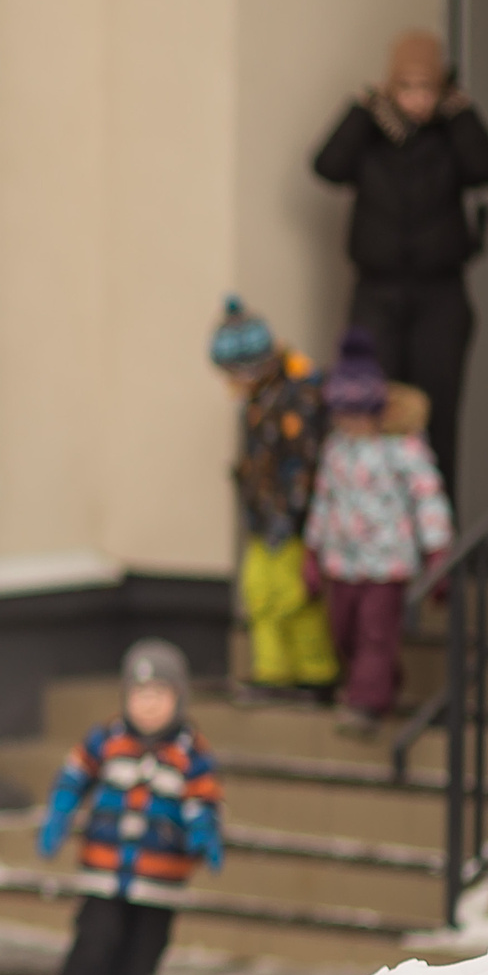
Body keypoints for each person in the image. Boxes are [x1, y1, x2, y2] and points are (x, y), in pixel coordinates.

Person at [311, 29, 488, 506]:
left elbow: (487, 169)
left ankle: (437, 545)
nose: (417, 101)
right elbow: (327, 167)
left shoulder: (450, 134)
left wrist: (458, 113)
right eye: (407, 88)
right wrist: (360, 110)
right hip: (376, 294)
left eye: (427, 89)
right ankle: (373, 537)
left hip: (440, 295)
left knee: (436, 416)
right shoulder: (370, 133)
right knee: (368, 409)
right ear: (390, 87)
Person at [35, 639, 224, 975]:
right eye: (139, 695)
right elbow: (74, 777)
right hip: (104, 873)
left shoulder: (190, 754)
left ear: (179, 699)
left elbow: (202, 800)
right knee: (94, 941)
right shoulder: (107, 739)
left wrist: (204, 834)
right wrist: (59, 816)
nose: (149, 705)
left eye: (159, 695)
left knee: (140, 959)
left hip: (159, 880)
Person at [305, 337, 455, 736]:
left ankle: (367, 702)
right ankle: (377, 681)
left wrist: (438, 552)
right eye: (342, 414)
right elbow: (324, 499)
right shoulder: (337, 450)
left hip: (387, 564)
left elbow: (428, 499)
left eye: (357, 414)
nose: (349, 423)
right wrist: (312, 550)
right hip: (343, 562)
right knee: (344, 632)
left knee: (375, 630)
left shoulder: (403, 450)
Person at [212, 296, 338, 698]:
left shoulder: (301, 393)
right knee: (259, 592)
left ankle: (315, 674)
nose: (235, 383)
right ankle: (271, 671)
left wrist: (296, 515)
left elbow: (306, 463)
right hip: (261, 518)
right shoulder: (256, 400)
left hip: (294, 521)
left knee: (295, 597)